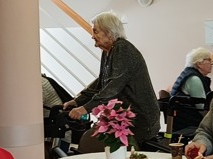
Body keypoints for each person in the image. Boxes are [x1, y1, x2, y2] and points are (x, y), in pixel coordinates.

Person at [63, 11, 160, 146]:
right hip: (125, 116)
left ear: (109, 32)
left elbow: (113, 86)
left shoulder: (123, 49)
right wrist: (78, 101)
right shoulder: (108, 51)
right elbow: (101, 81)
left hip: (140, 118)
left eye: (96, 31)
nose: (92, 36)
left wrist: (86, 108)